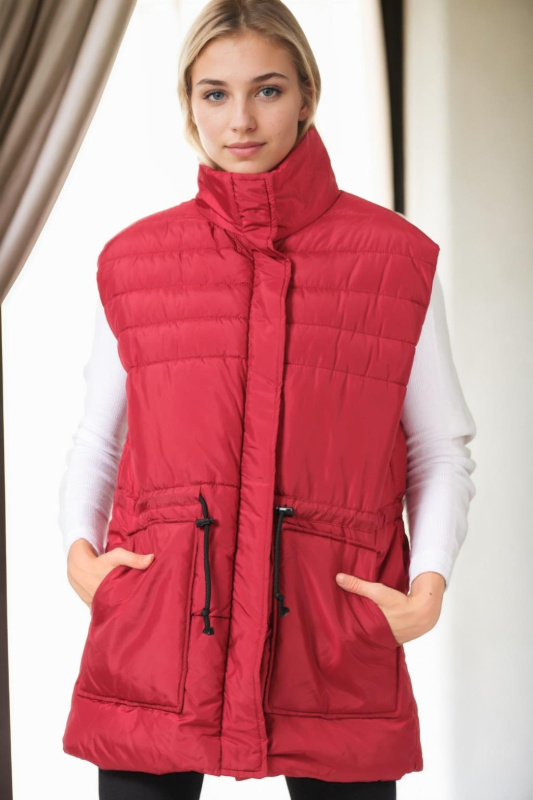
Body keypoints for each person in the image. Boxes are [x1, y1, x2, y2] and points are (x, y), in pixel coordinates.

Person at [60, 1, 477, 798]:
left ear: (307, 95)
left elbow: (437, 447)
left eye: (267, 90)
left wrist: (426, 589)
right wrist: (81, 556)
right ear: (188, 104)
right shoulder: (133, 261)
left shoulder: (395, 260)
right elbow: (97, 438)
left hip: (332, 623)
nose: (240, 120)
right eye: (214, 93)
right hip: (159, 621)